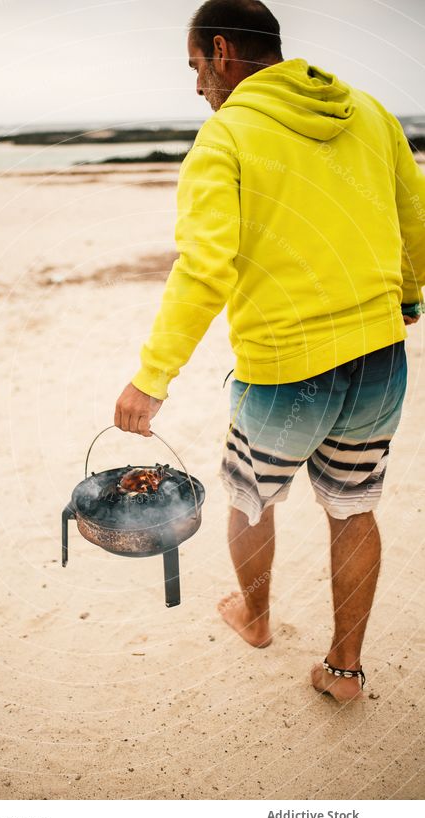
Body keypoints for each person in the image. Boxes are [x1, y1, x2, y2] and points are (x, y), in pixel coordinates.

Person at [113, 0, 425, 702]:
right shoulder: (371, 112)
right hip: (380, 356)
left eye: (196, 67)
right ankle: (344, 670)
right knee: (354, 507)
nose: (198, 86)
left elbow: (203, 267)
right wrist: (406, 297)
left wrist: (151, 377)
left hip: (284, 370)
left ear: (222, 51)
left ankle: (255, 619)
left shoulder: (226, 135)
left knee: (252, 498)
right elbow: (416, 215)